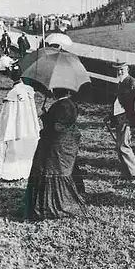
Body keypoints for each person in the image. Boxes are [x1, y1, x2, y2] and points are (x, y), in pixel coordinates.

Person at [23, 88, 86, 220]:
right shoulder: (72, 104)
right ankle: (70, 197)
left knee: (47, 167)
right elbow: (64, 123)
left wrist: (44, 116)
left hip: (56, 143)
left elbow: (55, 127)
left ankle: (50, 206)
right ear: (68, 92)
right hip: (69, 142)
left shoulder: (58, 106)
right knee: (68, 169)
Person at [0, 63, 40, 181]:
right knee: (25, 147)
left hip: (17, 126)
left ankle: (13, 173)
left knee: (15, 148)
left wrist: (5, 129)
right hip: (28, 125)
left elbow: (8, 116)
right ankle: (25, 171)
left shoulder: (12, 93)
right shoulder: (28, 90)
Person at [111, 62, 135, 183]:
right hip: (118, 117)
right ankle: (126, 172)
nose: (120, 71)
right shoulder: (120, 82)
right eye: (118, 70)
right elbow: (116, 101)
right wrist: (111, 115)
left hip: (126, 118)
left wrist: (131, 118)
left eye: (122, 69)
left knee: (124, 145)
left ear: (127, 69)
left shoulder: (132, 82)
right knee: (119, 146)